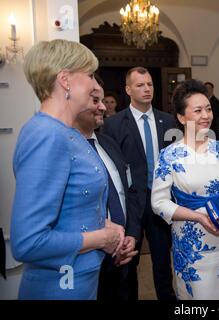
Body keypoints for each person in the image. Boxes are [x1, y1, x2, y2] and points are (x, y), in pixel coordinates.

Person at [10, 39, 124, 300]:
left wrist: (105, 225)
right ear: (65, 80)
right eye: (89, 75)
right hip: (59, 286)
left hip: (79, 279)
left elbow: (72, 205)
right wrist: (100, 238)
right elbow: (28, 242)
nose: (96, 85)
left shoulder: (68, 133)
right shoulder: (46, 135)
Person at [151, 79, 219, 299]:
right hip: (190, 245)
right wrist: (198, 217)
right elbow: (159, 202)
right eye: (197, 110)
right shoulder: (169, 155)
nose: (206, 115)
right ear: (181, 117)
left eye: (208, 109)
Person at [102, 67, 176, 300]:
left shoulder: (169, 121)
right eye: (140, 85)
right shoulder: (113, 124)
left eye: (149, 84)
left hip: (161, 200)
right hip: (131, 203)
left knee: (163, 261)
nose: (146, 89)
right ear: (128, 89)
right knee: (128, 264)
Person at [73, 80, 141, 300]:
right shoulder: (66, 149)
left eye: (103, 100)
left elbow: (128, 192)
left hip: (125, 254)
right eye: (96, 101)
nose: (103, 107)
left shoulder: (109, 143)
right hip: (87, 259)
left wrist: (131, 234)